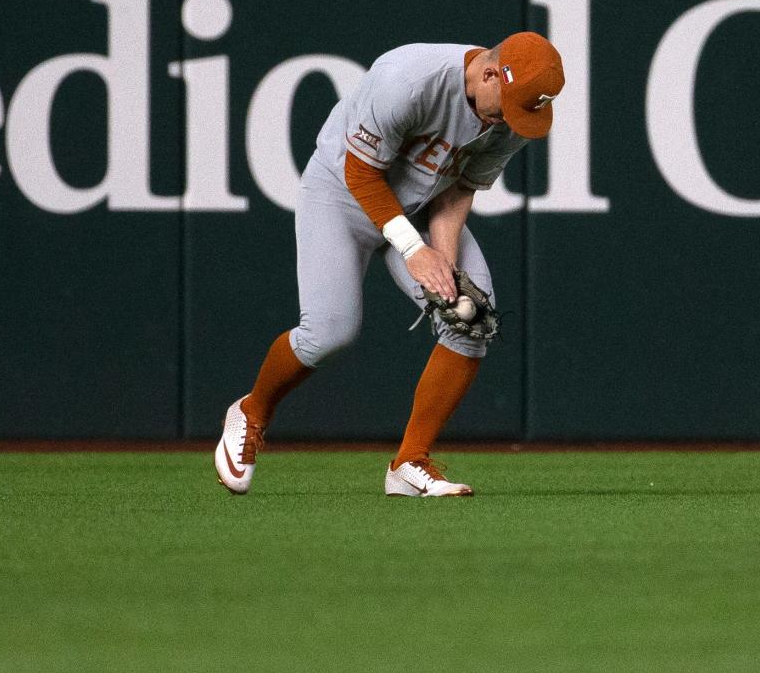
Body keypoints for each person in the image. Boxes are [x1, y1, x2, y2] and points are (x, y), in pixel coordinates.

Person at [215, 32, 565, 497]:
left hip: (424, 204)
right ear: (487, 73)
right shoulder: (410, 78)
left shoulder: (516, 116)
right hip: (340, 196)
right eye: (505, 107)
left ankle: (410, 462)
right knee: (329, 333)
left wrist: (444, 257)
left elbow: (461, 188)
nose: (507, 119)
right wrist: (413, 250)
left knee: (471, 318)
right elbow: (361, 172)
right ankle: (253, 411)